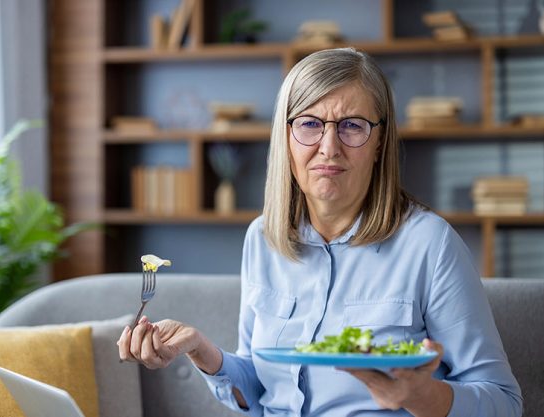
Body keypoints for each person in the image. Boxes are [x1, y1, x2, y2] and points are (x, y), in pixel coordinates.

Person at [117, 47, 522, 416]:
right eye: (310, 124)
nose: (329, 146)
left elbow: (504, 401)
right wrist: (200, 349)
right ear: (287, 138)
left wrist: (417, 395)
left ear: (379, 141)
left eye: (352, 126)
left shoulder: (429, 244)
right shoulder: (262, 239)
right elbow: (260, 389)